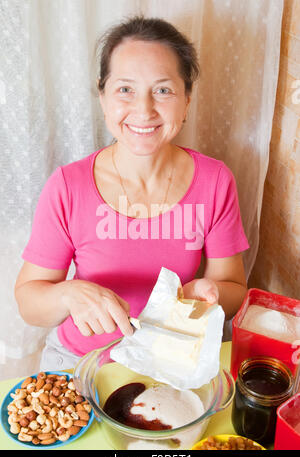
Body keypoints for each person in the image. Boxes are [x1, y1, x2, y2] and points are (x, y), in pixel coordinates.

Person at [15, 16, 249, 371]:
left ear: (187, 100)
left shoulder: (215, 181)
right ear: (103, 95)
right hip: (81, 362)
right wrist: (67, 294)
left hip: (175, 360)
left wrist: (208, 294)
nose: (144, 110)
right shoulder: (67, 186)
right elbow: (29, 301)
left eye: (163, 90)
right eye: (125, 89)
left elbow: (233, 288)